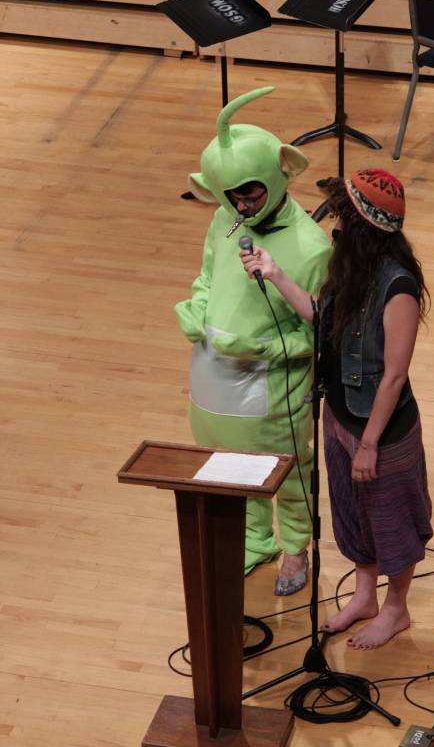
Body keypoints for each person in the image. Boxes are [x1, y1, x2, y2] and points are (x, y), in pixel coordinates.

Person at [240, 168, 433, 647]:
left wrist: (369, 445)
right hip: (340, 417)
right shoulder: (348, 269)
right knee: (353, 514)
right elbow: (321, 317)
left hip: (381, 432)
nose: (336, 227)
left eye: (344, 219)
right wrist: (275, 273)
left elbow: (394, 375)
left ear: (364, 229)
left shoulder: (399, 287)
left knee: (391, 523)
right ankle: (365, 597)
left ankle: (396, 609)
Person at [174, 87, 331, 594]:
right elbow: (207, 276)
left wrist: (262, 350)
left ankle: (295, 549)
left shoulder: (311, 247)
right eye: (231, 197)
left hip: (272, 389)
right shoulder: (225, 220)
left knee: (287, 470)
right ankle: (254, 538)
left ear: (281, 172)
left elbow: (320, 331)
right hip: (214, 378)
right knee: (227, 463)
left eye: (251, 194)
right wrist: (197, 308)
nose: (242, 205)